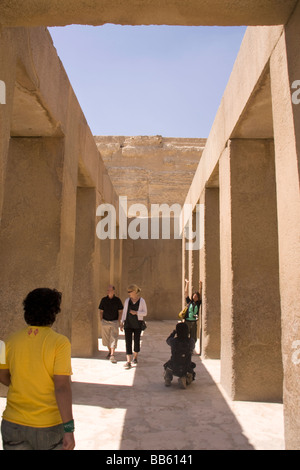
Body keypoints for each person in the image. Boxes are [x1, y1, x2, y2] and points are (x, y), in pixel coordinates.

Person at [0, 288, 75, 451]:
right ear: (54, 313)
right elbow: (61, 387)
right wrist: (69, 429)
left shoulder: (9, 341)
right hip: (48, 425)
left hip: (13, 423)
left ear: (27, 311)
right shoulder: (60, 343)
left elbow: (3, 376)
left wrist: (23, 382)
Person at [120, 284, 147, 369]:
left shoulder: (142, 301)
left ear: (134, 292)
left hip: (137, 324)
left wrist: (136, 313)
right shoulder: (127, 301)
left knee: (136, 341)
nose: (128, 293)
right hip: (128, 324)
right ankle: (128, 361)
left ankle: (135, 357)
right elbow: (124, 312)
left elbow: (145, 313)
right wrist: (121, 322)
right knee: (128, 342)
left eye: (129, 292)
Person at [163, 322, 196, 389]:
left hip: (174, 365)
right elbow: (192, 346)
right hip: (186, 366)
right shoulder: (190, 341)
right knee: (192, 373)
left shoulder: (173, 341)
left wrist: (173, 333)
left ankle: (168, 378)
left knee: (167, 366)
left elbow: (167, 340)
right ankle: (184, 379)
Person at [99, 285, 123, 363]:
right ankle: (110, 351)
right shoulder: (103, 300)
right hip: (105, 321)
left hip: (114, 322)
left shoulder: (117, 300)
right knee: (106, 339)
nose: (108, 292)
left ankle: (112, 355)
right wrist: (101, 320)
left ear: (113, 291)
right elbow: (101, 311)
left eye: (110, 290)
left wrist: (118, 321)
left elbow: (120, 311)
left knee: (113, 338)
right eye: (107, 290)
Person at [184, 279, 202, 345]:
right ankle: (185, 348)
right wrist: (187, 284)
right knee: (185, 336)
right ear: (192, 296)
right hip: (187, 321)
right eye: (194, 295)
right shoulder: (189, 302)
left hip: (194, 322)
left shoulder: (198, 303)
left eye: (196, 296)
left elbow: (200, 293)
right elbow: (186, 292)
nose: (195, 297)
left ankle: (191, 348)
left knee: (193, 338)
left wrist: (200, 286)